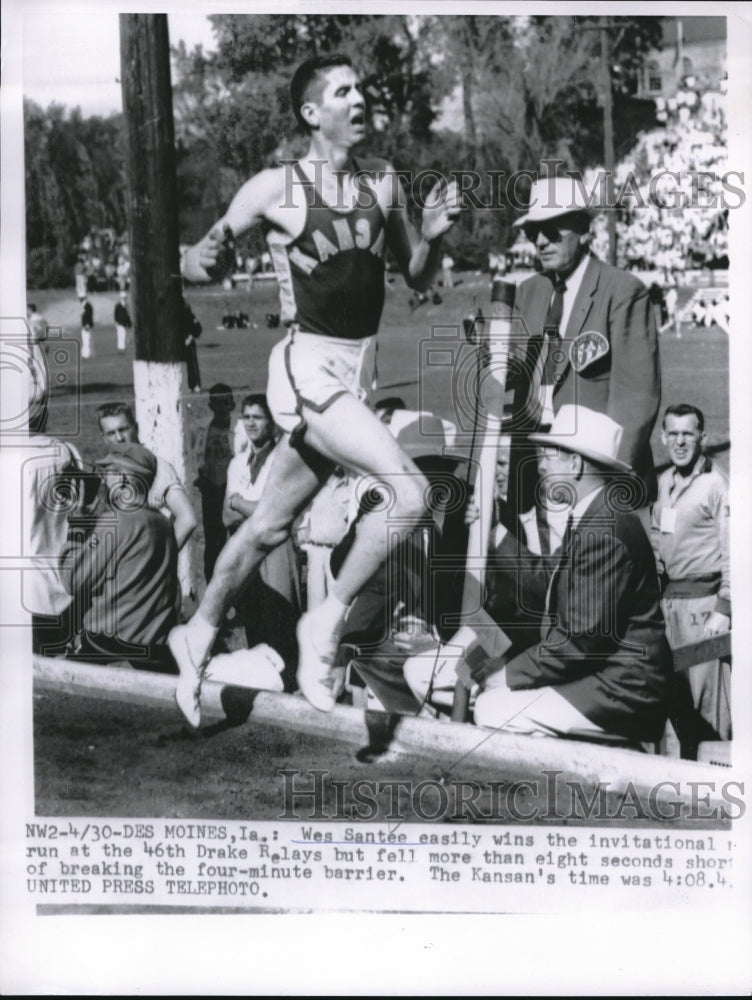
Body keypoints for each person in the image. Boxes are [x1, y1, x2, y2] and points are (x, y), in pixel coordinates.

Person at [171, 53, 460, 725]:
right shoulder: (276, 188)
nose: (360, 99)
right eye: (344, 91)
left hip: (357, 373)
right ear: (311, 112)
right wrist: (196, 260)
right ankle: (323, 624)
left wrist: (436, 242)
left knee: (269, 524)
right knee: (412, 492)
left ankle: (201, 631)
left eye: (363, 87)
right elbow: (199, 252)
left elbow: (415, 275)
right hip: (309, 372)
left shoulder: (384, 181)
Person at [473, 405, 672, 743]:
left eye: (550, 456)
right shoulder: (594, 514)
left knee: (493, 709)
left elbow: (579, 641)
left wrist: (509, 674)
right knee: (492, 699)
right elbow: (545, 581)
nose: (541, 465)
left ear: (576, 464)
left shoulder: (603, 529)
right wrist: (493, 533)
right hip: (602, 676)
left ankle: (563, 786)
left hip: (623, 689)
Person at [508, 175, 661, 534]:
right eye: (533, 232)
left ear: (583, 228)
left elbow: (636, 400)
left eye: (552, 229)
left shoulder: (622, 291)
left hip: (595, 477)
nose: (541, 241)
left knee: (598, 584)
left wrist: (601, 488)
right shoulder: (529, 291)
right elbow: (517, 387)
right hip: (536, 475)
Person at [650, 403, 731, 744]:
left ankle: (716, 779)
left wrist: (724, 610)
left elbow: (735, 551)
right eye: (674, 434)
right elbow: (658, 543)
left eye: (688, 434)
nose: (680, 442)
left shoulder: (717, 484)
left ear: (702, 437)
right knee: (672, 697)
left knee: (706, 701)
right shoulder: (664, 482)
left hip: (704, 612)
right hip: (670, 611)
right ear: (663, 437)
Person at [62, 443, 178, 671]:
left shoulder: (116, 522)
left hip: (112, 645)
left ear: (124, 479)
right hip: (156, 648)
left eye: (109, 473)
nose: (104, 481)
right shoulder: (163, 523)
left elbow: (73, 579)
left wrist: (77, 524)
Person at [223, 394, 301, 688]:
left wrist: (240, 503)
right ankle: (263, 681)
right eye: (246, 417)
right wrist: (251, 506)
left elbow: (275, 512)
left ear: (272, 423)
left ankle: (289, 682)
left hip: (276, 548)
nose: (251, 423)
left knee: (280, 616)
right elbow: (225, 516)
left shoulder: (283, 460)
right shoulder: (237, 464)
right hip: (243, 546)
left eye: (258, 417)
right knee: (251, 613)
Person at [96, 402, 197, 551]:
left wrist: (161, 559)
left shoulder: (157, 466)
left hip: (145, 559)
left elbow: (187, 519)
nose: (119, 438)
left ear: (136, 428)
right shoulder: (104, 469)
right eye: (111, 433)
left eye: (123, 429)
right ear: (104, 437)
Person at [196, 384, 236, 582]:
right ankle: (211, 583)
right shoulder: (204, 428)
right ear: (211, 405)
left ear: (232, 404)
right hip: (211, 491)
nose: (221, 407)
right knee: (213, 543)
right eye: (217, 403)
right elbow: (197, 457)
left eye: (225, 402)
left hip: (232, 494)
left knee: (235, 541)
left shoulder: (238, 430)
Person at [181, 297, 202, 392]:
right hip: (178, 343)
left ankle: (195, 384)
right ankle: (184, 385)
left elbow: (198, 328)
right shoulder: (173, 317)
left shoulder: (189, 316)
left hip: (188, 342)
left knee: (192, 364)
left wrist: (190, 337)